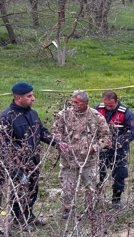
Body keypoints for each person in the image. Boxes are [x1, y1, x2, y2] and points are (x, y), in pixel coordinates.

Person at [0, 82, 66, 227]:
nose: (33, 98)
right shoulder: (6, 117)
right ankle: (18, 220)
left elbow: (41, 132)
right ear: (18, 98)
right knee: (19, 191)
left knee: (33, 189)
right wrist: (15, 167)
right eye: (29, 96)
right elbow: (3, 146)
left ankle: (29, 216)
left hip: (33, 161)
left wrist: (57, 143)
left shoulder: (32, 113)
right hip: (17, 163)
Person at [53, 91, 112, 220]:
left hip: (89, 161)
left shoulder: (96, 116)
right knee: (67, 188)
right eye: (72, 101)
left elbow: (106, 137)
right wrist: (60, 143)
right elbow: (56, 132)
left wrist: (95, 147)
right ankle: (68, 210)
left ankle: (89, 209)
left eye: (76, 102)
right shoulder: (63, 115)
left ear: (85, 103)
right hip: (69, 161)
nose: (73, 104)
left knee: (91, 187)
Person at [97, 90, 134, 209]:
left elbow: (132, 133)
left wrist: (116, 143)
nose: (108, 107)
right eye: (106, 105)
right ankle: (94, 198)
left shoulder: (127, 113)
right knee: (97, 174)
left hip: (119, 150)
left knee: (120, 174)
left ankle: (116, 199)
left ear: (116, 101)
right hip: (101, 149)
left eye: (111, 105)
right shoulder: (97, 110)